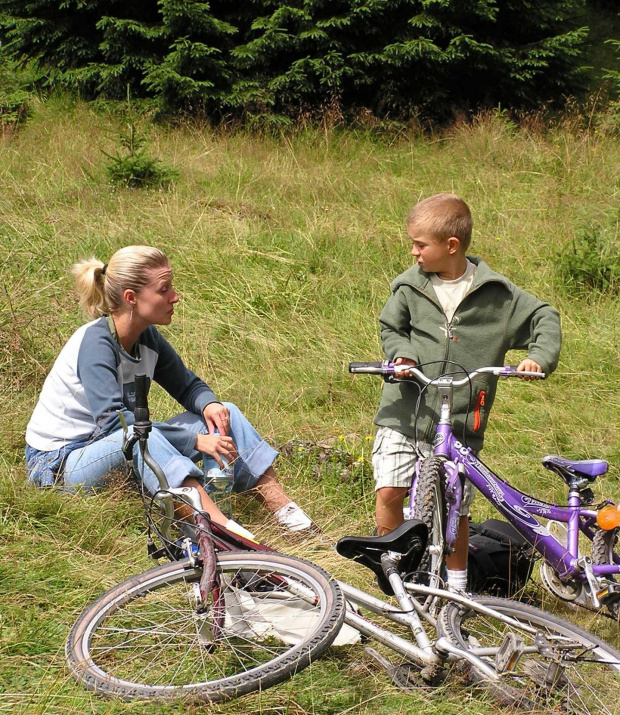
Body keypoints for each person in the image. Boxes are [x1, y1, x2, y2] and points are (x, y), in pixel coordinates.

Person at [25, 245, 315, 536]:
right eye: (164, 289)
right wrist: (194, 441)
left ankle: (292, 518)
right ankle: (220, 529)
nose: (175, 297)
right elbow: (115, 423)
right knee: (138, 436)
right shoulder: (95, 345)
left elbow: (187, 385)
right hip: (61, 465)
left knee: (226, 413)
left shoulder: (146, 336)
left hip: (113, 448)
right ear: (131, 298)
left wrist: (209, 404)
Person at [372, 193, 561, 592]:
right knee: (390, 489)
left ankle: (457, 587)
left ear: (451, 246)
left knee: (454, 508)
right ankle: (394, 579)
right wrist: (401, 354)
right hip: (404, 411)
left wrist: (538, 357)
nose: (414, 252)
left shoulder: (500, 296)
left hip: (460, 419)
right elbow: (392, 327)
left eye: (421, 244)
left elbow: (544, 316)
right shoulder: (409, 286)